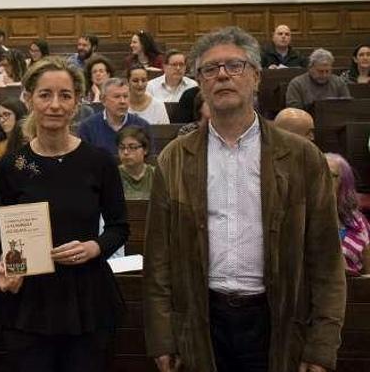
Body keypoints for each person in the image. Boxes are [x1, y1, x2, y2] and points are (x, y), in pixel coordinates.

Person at [144, 26, 346, 372]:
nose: (222, 75)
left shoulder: (301, 156)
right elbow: (159, 259)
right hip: (202, 319)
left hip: (277, 318)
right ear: (201, 84)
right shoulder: (174, 158)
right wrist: (163, 336)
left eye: (234, 66)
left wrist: (323, 343)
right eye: (210, 69)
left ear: (255, 77)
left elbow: (326, 258)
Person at [0, 57, 128, 372]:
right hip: (29, 298)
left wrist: (94, 247)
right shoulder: (13, 165)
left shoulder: (99, 162)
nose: (55, 104)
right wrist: (5, 264)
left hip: (87, 297)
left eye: (65, 95)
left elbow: (119, 227)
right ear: (29, 99)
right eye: (45, 94)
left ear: (78, 101)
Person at [79, 78, 151, 158]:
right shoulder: (88, 127)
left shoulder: (142, 126)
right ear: (103, 100)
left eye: (125, 96)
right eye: (117, 97)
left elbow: (150, 160)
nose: (122, 101)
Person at [325, 153, 370, 276]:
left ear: (344, 183)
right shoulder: (301, 218)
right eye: (317, 174)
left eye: (330, 175)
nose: (322, 180)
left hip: (352, 291)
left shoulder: (358, 222)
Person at [285, 48, 351, 110]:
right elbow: (293, 110)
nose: (324, 75)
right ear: (310, 68)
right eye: (320, 71)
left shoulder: (339, 82)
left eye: (327, 71)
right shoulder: (297, 84)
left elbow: (347, 106)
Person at [117, 126, 155, 200]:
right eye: (122, 147)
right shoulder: (112, 176)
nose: (126, 152)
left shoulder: (155, 175)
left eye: (132, 147)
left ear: (145, 150)